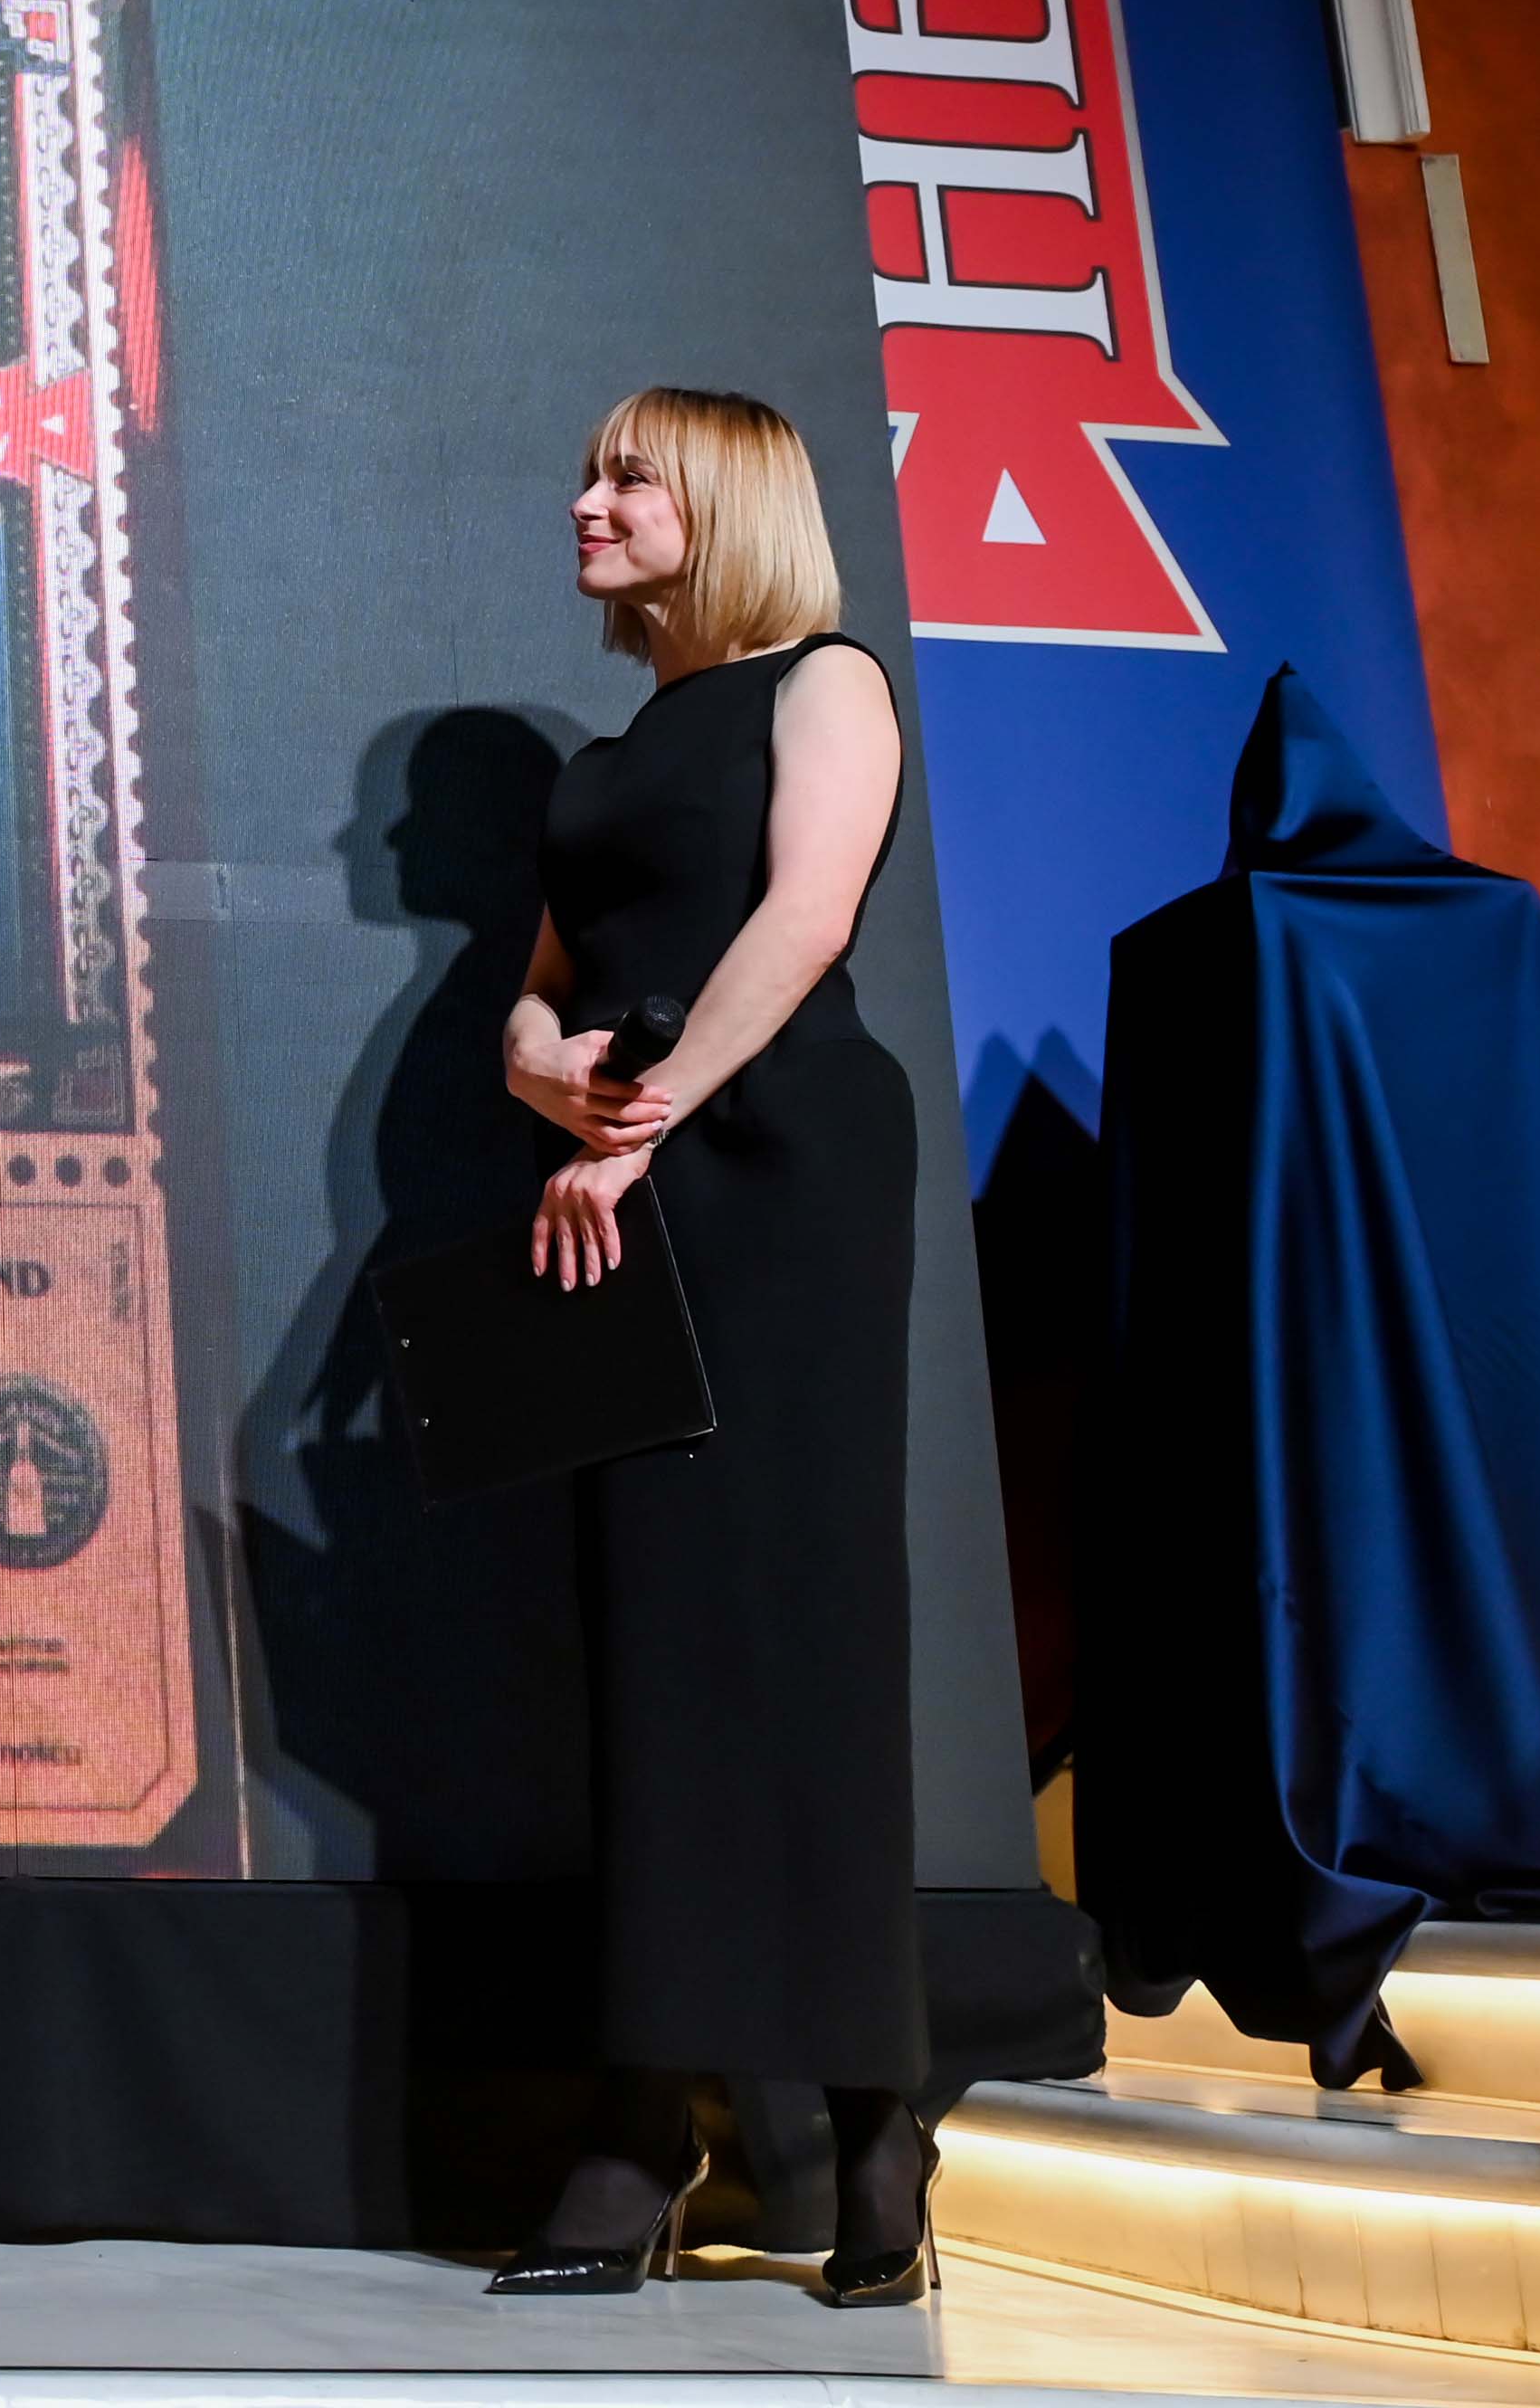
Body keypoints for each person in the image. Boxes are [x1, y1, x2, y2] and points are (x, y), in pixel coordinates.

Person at [485, 385, 937, 2310]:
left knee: (803, 1627)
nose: (588, 502)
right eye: (590, 473)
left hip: (777, 1165)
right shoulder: (609, 757)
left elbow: (808, 916)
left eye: (630, 477)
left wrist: (644, 1114)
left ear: (728, 502)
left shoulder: (825, 681)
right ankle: (643, 2118)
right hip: (623, 1182)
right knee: (652, 1655)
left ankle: (874, 2112)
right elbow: (535, 993)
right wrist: (546, 1074)